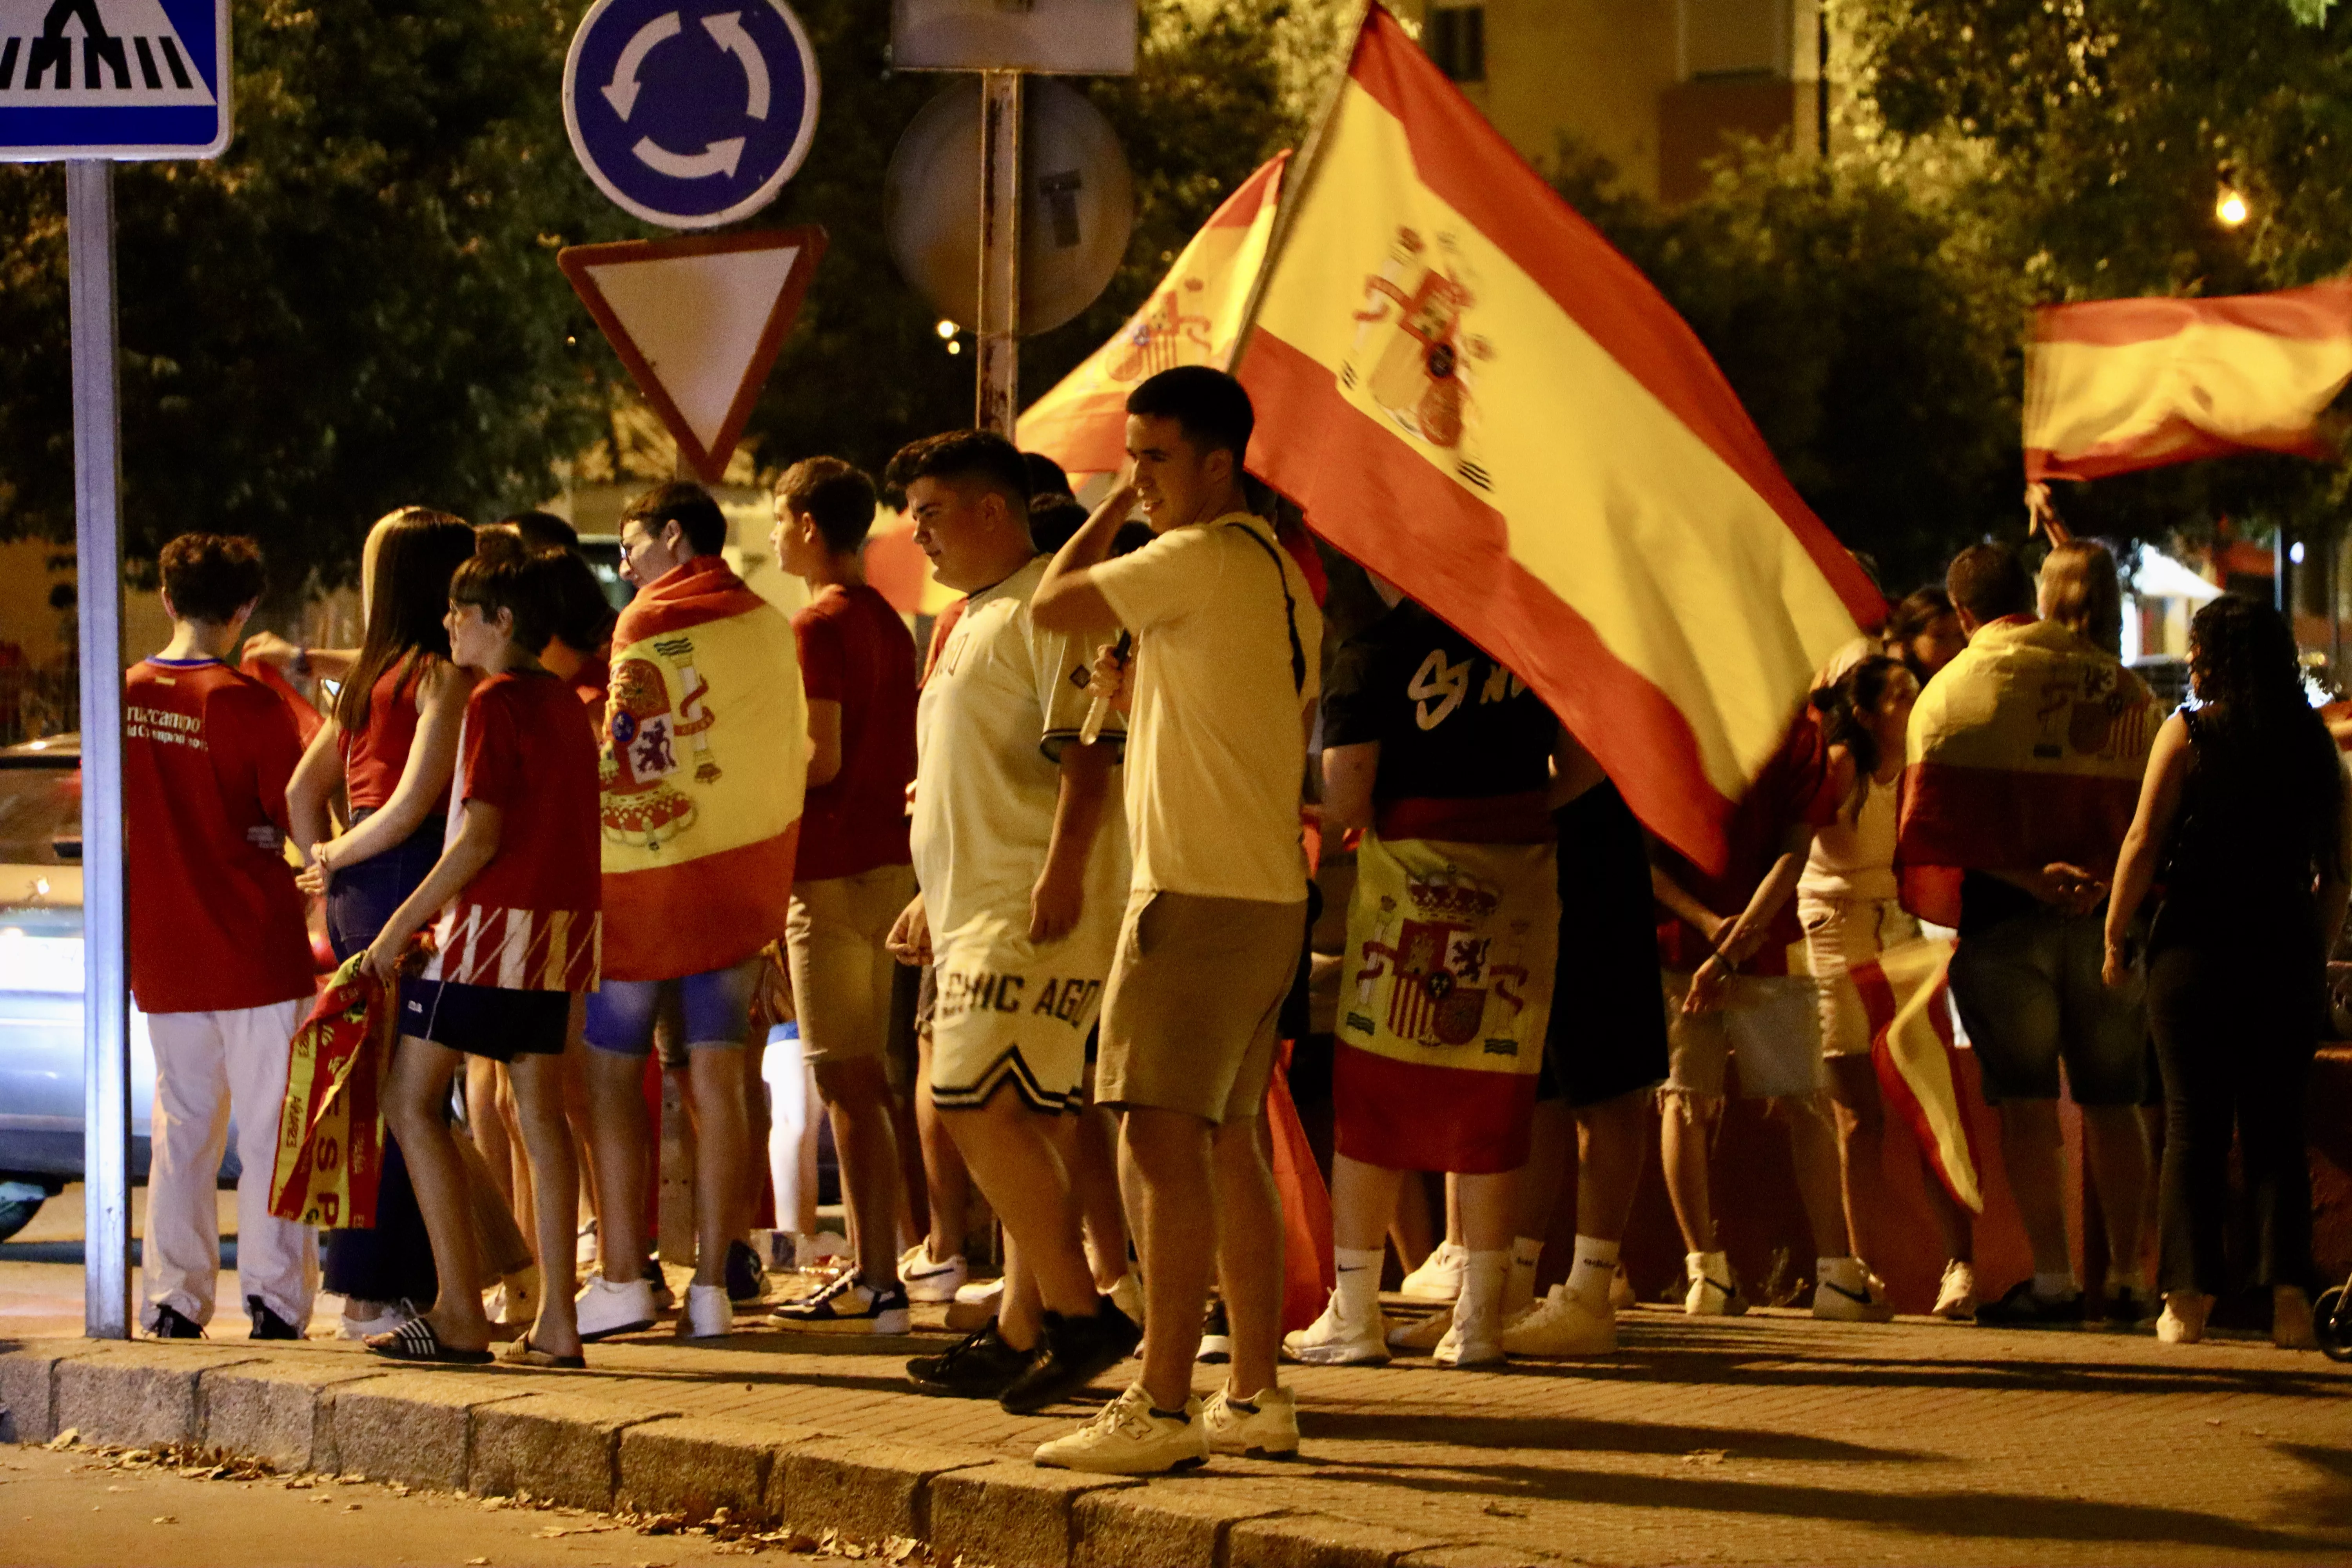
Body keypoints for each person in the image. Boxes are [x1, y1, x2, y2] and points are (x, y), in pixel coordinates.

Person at [1029, 366, 1321, 1474]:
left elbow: (1051, 605)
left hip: (1194, 896)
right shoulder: (1280, 575)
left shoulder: (1193, 557)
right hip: (1262, 897)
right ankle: (1252, 1393)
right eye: (1131, 458)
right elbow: (1243, 723)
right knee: (1227, 1142)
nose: (1140, 479)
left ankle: (1158, 1402)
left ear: (1219, 464)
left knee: (1155, 1137)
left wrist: (1100, 507)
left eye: (1154, 459)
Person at [878, 428, 1142, 1410]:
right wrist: (928, 893)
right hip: (975, 902)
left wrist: (1064, 874)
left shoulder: (1051, 606)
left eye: (932, 513)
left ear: (994, 511)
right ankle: (1026, 1326)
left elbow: (1087, 756)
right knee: (1025, 1111)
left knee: (967, 1098)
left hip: (1030, 903)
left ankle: (1083, 1314)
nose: (920, 535)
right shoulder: (976, 616)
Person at [1285, 588, 1559, 1369]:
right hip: (1522, 887)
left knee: (1375, 1097)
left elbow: (1346, 801)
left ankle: (1355, 1307)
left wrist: (1282, 797)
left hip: (1412, 882)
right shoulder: (1532, 630)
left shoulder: (1371, 654)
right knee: (1495, 1097)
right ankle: (1479, 1318)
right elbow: (1582, 767)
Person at [356, 546, 600, 1367]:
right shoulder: (565, 704)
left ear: (502, 621)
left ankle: (459, 1307)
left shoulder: (493, 701)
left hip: (491, 937)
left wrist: (398, 929)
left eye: (464, 609)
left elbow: (479, 836)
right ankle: (558, 1320)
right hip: (560, 938)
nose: (449, 620)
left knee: (409, 1098)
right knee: (542, 1116)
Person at [579, 482, 809, 1342]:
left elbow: (628, 753)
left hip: (645, 883)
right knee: (723, 1076)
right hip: (738, 880)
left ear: (673, 535)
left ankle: (622, 1275)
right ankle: (713, 1283)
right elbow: (786, 746)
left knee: (610, 1074)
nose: (626, 560)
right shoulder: (767, 622)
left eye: (632, 541)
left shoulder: (645, 621)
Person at [2103, 594, 2349, 1348]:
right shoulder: (2314, 743)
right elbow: (2336, 873)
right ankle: (2286, 1302)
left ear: (2209, 656)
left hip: (2195, 946)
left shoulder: (2189, 734)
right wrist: (2314, 946)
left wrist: (2116, 934)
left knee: (2192, 1125)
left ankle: (2186, 1299)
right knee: (2277, 1126)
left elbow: (2145, 840)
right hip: (2281, 943)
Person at [1926, 541, 2157, 1325]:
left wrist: (2027, 879)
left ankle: (2053, 1279)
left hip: (2004, 925)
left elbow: (1934, 827)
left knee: (2026, 1104)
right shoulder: (2118, 685)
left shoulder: (1955, 690)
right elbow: (2149, 819)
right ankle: (2130, 1277)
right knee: (2115, 1100)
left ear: (1963, 613)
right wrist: (2103, 893)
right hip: (2105, 924)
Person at [287, 508, 481, 1339]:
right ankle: (381, 1292)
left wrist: (325, 859)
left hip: (359, 893)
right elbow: (415, 804)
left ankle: (373, 1286)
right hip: (410, 890)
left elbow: (302, 792)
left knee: (375, 1091)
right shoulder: (442, 677)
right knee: (412, 1097)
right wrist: (336, 854)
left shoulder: (367, 679)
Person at [124, 534, 319, 1341]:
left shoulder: (125, 694)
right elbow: (296, 810)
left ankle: (175, 1296)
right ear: (244, 611)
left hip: (166, 948)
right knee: (275, 1127)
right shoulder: (248, 701)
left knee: (183, 1123)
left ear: (167, 599)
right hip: (257, 943)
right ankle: (274, 1300)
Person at [1650, 713, 1894, 1322]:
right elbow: (1793, 855)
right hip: (1769, 945)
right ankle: (1837, 1274)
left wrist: (1709, 932)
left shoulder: (1669, 721)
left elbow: (1643, 857)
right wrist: (1736, 945)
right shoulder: (1794, 735)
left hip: (1682, 944)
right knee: (1804, 1100)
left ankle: (1706, 1273)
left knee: (1684, 1102)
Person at [762, 457, 925, 1332]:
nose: (775, 534)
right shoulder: (890, 625)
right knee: (870, 1079)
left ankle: (876, 1276)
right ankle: (880, 1267)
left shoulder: (818, 625)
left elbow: (818, 758)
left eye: (782, 519)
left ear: (811, 525)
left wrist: (755, 777)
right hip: (889, 865)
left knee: (846, 1080)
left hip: (826, 870)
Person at [1799, 655, 1980, 1318]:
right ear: (1871, 710)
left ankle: (1961, 1265)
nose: (1916, 699)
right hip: (1831, 930)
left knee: (1930, 1098)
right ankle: (1856, 1269)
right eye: (1901, 694)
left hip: (1899, 927)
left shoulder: (1917, 764)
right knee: (1856, 1118)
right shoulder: (1841, 765)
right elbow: (1797, 830)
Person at [1883, 586, 1967, 688]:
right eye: (1939, 637)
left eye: (1959, 634)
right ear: (1910, 642)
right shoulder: (1903, 693)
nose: (1955, 647)